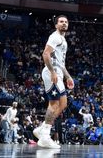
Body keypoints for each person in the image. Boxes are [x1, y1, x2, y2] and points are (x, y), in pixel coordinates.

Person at [33, 15, 74, 149]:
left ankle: (42, 129)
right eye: (61, 22)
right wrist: (52, 72)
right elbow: (46, 54)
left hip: (58, 72)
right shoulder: (55, 36)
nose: (64, 24)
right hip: (52, 72)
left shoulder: (63, 40)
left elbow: (61, 63)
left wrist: (68, 76)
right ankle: (45, 135)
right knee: (54, 103)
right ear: (56, 25)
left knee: (63, 103)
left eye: (66, 22)